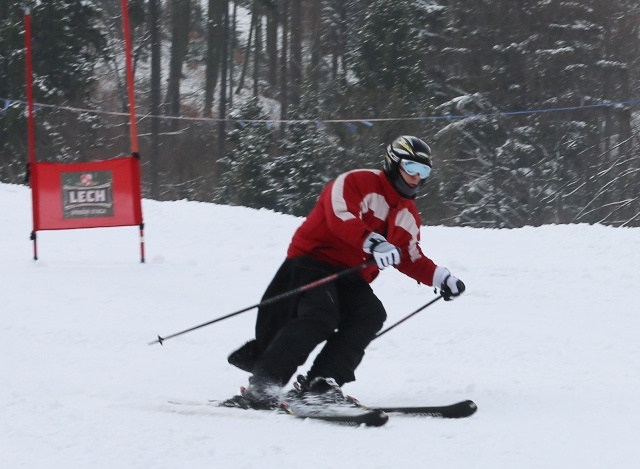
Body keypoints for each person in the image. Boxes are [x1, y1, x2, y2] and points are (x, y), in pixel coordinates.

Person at [227, 135, 465, 409]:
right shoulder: (358, 182)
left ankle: (322, 384)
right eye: (411, 168)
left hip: (351, 274)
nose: (416, 177)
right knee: (321, 315)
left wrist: (441, 278)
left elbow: (410, 256)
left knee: (371, 314)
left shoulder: (407, 214)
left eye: (424, 172)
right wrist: (373, 241)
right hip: (313, 259)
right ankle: (264, 385)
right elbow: (340, 215)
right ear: (393, 163)